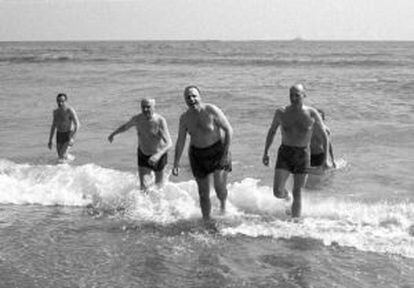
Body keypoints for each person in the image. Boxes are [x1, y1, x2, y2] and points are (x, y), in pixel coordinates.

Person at [262, 84, 328, 218]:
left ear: (304, 95)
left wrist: (325, 160)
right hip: (285, 153)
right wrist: (266, 151)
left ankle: (296, 223)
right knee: (277, 191)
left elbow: (324, 136)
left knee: (297, 191)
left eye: (297, 95)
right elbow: (272, 131)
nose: (293, 98)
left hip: (302, 154)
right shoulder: (281, 112)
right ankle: (287, 199)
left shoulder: (311, 113)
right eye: (291, 95)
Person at [172, 86, 233, 221]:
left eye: (194, 96)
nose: (191, 99)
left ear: (200, 96)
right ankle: (207, 220)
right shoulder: (184, 118)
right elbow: (181, 141)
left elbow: (228, 130)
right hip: (197, 155)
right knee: (203, 193)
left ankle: (223, 207)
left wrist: (225, 154)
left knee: (219, 189)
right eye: (188, 97)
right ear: (185, 100)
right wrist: (176, 163)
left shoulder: (211, 110)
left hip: (218, 151)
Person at [108, 98, 172, 191]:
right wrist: (113, 134)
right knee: (143, 187)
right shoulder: (137, 119)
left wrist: (157, 155)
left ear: (154, 107)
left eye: (148, 107)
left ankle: (159, 205)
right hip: (143, 154)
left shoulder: (160, 121)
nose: (145, 109)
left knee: (158, 187)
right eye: (143, 107)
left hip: (158, 156)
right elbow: (125, 127)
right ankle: (142, 205)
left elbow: (169, 143)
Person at [48, 93, 80, 161]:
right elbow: (53, 126)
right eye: (58, 101)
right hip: (59, 135)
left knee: (62, 156)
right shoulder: (55, 112)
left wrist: (72, 137)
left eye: (62, 101)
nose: (60, 103)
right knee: (61, 157)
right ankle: (71, 164)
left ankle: (67, 167)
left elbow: (77, 124)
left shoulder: (69, 110)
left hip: (68, 135)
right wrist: (50, 140)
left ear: (66, 101)